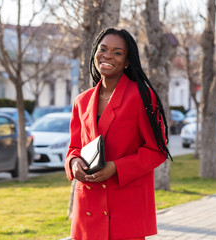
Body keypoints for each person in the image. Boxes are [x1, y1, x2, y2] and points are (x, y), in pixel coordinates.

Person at [65, 27, 172, 240]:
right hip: (89, 207)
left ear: (127, 61)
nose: (107, 56)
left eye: (117, 52)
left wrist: (116, 168)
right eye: (103, 49)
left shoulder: (141, 96)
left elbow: (157, 151)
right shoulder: (82, 101)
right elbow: (74, 148)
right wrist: (73, 164)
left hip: (125, 208)